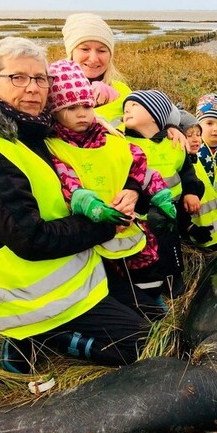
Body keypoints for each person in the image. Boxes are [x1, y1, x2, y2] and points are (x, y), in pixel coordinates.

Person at [0, 37, 151, 374]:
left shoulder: (33, 130)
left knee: (155, 314)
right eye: (18, 78)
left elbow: (105, 154)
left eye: (40, 79)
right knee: (141, 344)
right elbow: (31, 240)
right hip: (35, 302)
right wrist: (108, 224)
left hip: (81, 278)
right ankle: (47, 339)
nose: (33, 88)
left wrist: (135, 181)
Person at [44, 59, 178, 316]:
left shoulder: (112, 138)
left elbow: (140, 165)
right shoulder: (54, 146)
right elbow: (66, 179)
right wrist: (87, 203)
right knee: (107, 278)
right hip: (92, 234)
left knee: (145, 263)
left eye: (87, 105)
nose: (82, 113)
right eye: (71, 107)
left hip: (131, 225)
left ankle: (150, 300)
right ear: (54, 111)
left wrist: (161, 195)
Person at [123, 89, 209, 296]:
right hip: (140, 213)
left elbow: (187, 171)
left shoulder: (174, 144)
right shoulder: (123, 144)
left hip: (172, 209)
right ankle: (148, 285)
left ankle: (173, 279)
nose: (127, 110)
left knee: (170, 246)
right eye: (125, 108)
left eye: (134, 106)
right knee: (144, 251)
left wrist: (190, 192)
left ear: (155, 114)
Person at [62, 12, 130, 126]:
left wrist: (167, 128)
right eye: (85, 49)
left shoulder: (123, 91)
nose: (93, 59)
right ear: (71, 53)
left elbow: (148, 121)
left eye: (102, 51)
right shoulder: (52, 90)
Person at [175, 109, 217, 249]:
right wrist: (189, 227)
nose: (196, 139)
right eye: (189, 135)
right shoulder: (179, 167)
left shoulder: (195, 158)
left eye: (198, 134)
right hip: (200, 238)